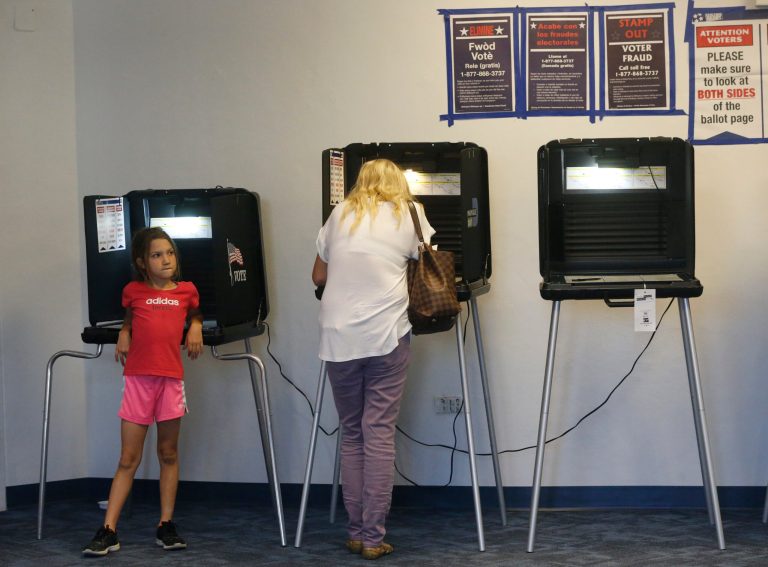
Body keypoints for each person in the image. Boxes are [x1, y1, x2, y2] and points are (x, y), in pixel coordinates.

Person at [312, 159, 435, 560]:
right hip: (386, 335)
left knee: (352, 433)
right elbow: (426, 262)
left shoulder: (340, 213)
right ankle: (372, 538)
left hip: (338, 336)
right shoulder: (410, 212)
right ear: (398, 182)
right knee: (378, 431)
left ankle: (353, 532)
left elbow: (318, 276)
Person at [83, 227, 203, 556]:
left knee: (168, 454)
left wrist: (194, 326)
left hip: (170, 382)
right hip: (138, 379)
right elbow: (130, 316)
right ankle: (108, 530)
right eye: (156, 255)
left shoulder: (187, 291)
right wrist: (124, 331)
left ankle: (165, 524)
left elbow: (195, 313)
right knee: (128, 458)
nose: (165, 260)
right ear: (142, 262)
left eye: (169, 253)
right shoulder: (133, 291)